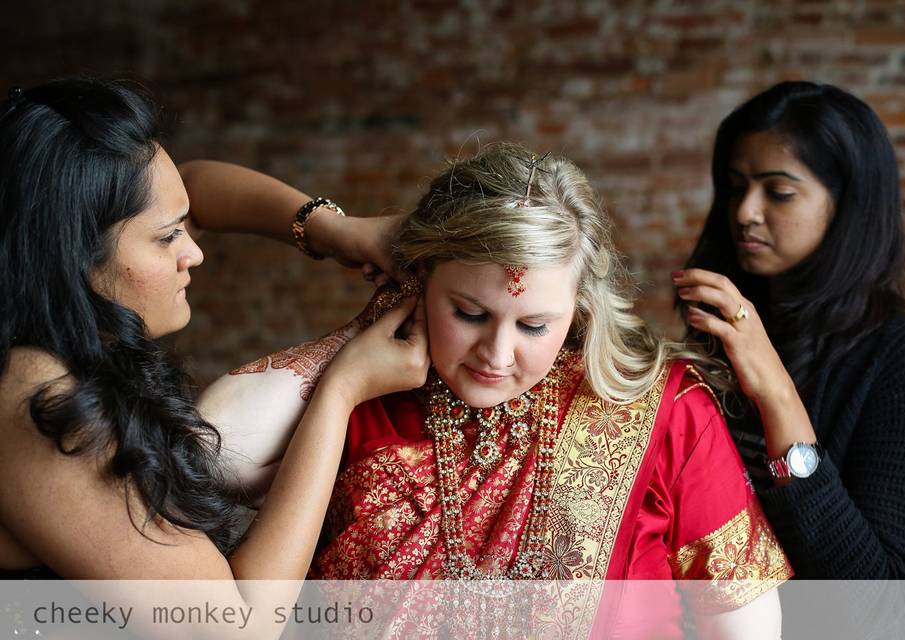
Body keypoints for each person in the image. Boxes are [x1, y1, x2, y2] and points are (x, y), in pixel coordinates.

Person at [211, 142, 792, 639]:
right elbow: (216, 448)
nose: (496, 354)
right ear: (419, 280)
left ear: (579, 307)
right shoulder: (363, 396)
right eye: (468, 312)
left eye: (534, 326)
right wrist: (353, 340)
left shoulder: (661, 408)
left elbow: (743, 625)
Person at [0, 78, 427, 638]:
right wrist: (341, 391)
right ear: (70, 253)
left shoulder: (46, 329)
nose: (194, 252)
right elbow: (237, 628)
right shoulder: (33, 397)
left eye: (185, 227)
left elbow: (196, 184)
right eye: (168, 237)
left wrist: (336, 230)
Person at [675, 81, 905, 633]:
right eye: (736, 188)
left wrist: (777, 393)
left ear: (847, 202)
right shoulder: (722, 334)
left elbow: (870, 608)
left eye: (778, 192)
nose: (745, 213)